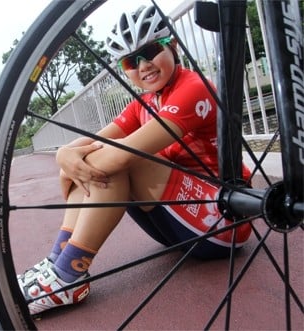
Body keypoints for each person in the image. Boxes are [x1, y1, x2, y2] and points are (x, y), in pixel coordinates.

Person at [17, 3, 251, 316]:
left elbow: (118, 155)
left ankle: (67, 275)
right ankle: (58, 263)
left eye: (151, 50)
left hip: (223, 224)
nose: (143, 66)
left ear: (173, 45)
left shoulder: (192, 87)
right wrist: (64, 155)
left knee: (119, 158)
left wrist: (74, 164)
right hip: (181, 227)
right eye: (130, 60)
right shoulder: (144, 102)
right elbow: (89, 142)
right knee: (98, 156)